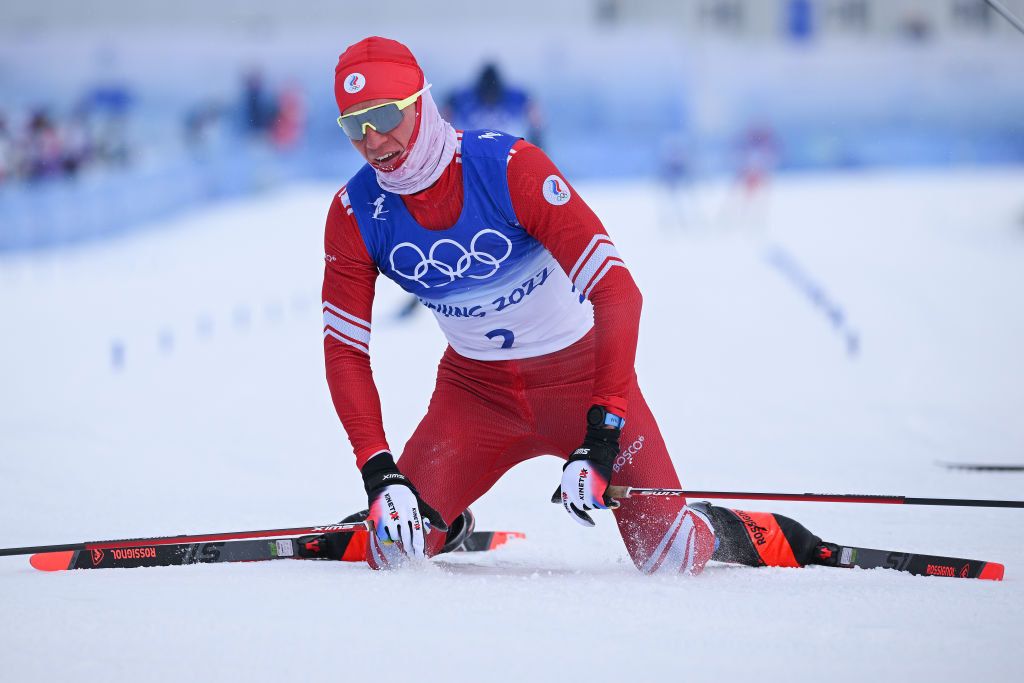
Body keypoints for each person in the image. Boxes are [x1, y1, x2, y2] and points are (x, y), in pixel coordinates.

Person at [322, 37, 821, 574]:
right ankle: (443, 520)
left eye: (384, 115)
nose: (373, 140)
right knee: (394, 555)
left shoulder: (509, 167)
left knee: (673, 559)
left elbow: (618, 292)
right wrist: (380, 473)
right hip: (476, 395)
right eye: (354, 124)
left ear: (421, 101)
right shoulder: (355, 213)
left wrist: (603, 433)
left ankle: (727, 529)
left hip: (582, 380)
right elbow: (345, 352)